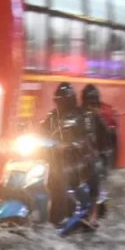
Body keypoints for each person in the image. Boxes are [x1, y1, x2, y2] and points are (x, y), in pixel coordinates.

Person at [41, 83, 101, 226]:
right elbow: (41, 132)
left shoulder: (82, 116)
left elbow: (88, 136)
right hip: (55, 159)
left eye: (63, 100)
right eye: (58, 100)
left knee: (63, 178)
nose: (60, 104)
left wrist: (73, 145)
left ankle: (90, 213)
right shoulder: (52, 116)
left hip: (77, 160)